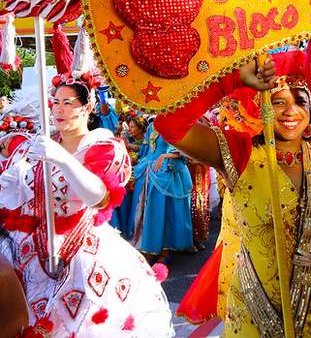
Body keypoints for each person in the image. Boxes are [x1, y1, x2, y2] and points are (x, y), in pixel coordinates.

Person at [152, 50, 311, 336]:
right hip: (255, 314)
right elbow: (169, 126)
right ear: (262, 106)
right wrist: (233, 79)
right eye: (278, 101)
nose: (290, 111)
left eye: (300, 101)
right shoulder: (241, 153)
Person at [0, 71, 173, 336]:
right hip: (27, 251)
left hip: (81, 252)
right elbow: (14, 198)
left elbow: (99, 197)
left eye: (68, 103)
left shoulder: (103, 145)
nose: (59, 109)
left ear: (88, 106)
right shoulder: (38, 144)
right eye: (55, 102)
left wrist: (63, 159)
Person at [130, 117, 194, 261]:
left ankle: (165, 250)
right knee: (151, 210)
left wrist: (165, 155)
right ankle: (150, 246)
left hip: (168, 171)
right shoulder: (151, 126)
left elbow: (183, 151)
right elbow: (146, 150)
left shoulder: (174, 124)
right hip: (150, 172)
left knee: (166, 211)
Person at [110, 113, 147, 237]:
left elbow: (136, 156)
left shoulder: (145, 143)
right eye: (129, 127)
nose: (129, 129)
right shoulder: (130, 139)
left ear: (140, 129)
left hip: (138, 176)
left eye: (132, 127)